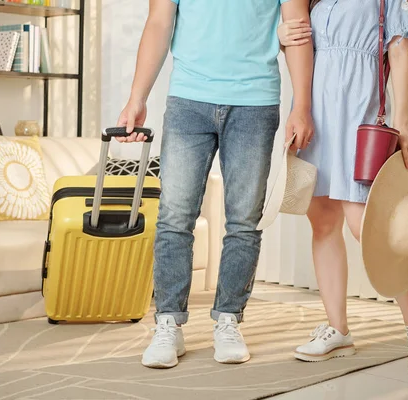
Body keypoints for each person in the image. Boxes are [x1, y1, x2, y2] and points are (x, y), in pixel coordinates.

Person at [117, 0, 314, 369]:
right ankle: (168, 323)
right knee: (175, 217)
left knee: (244, 221)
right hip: (188, 100)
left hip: (255, 102)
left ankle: (228, 319)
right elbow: (159, 22)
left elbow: (298, 28)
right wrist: (136, 98)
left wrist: (300, 106)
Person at [278, 0, 408, 374]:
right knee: (322, 224)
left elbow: (398, 51)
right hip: (316, 115)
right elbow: (298, 44)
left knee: (370, 229)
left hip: (360, 116)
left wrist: (403, 121)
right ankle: (338, 328)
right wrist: (280, 36)